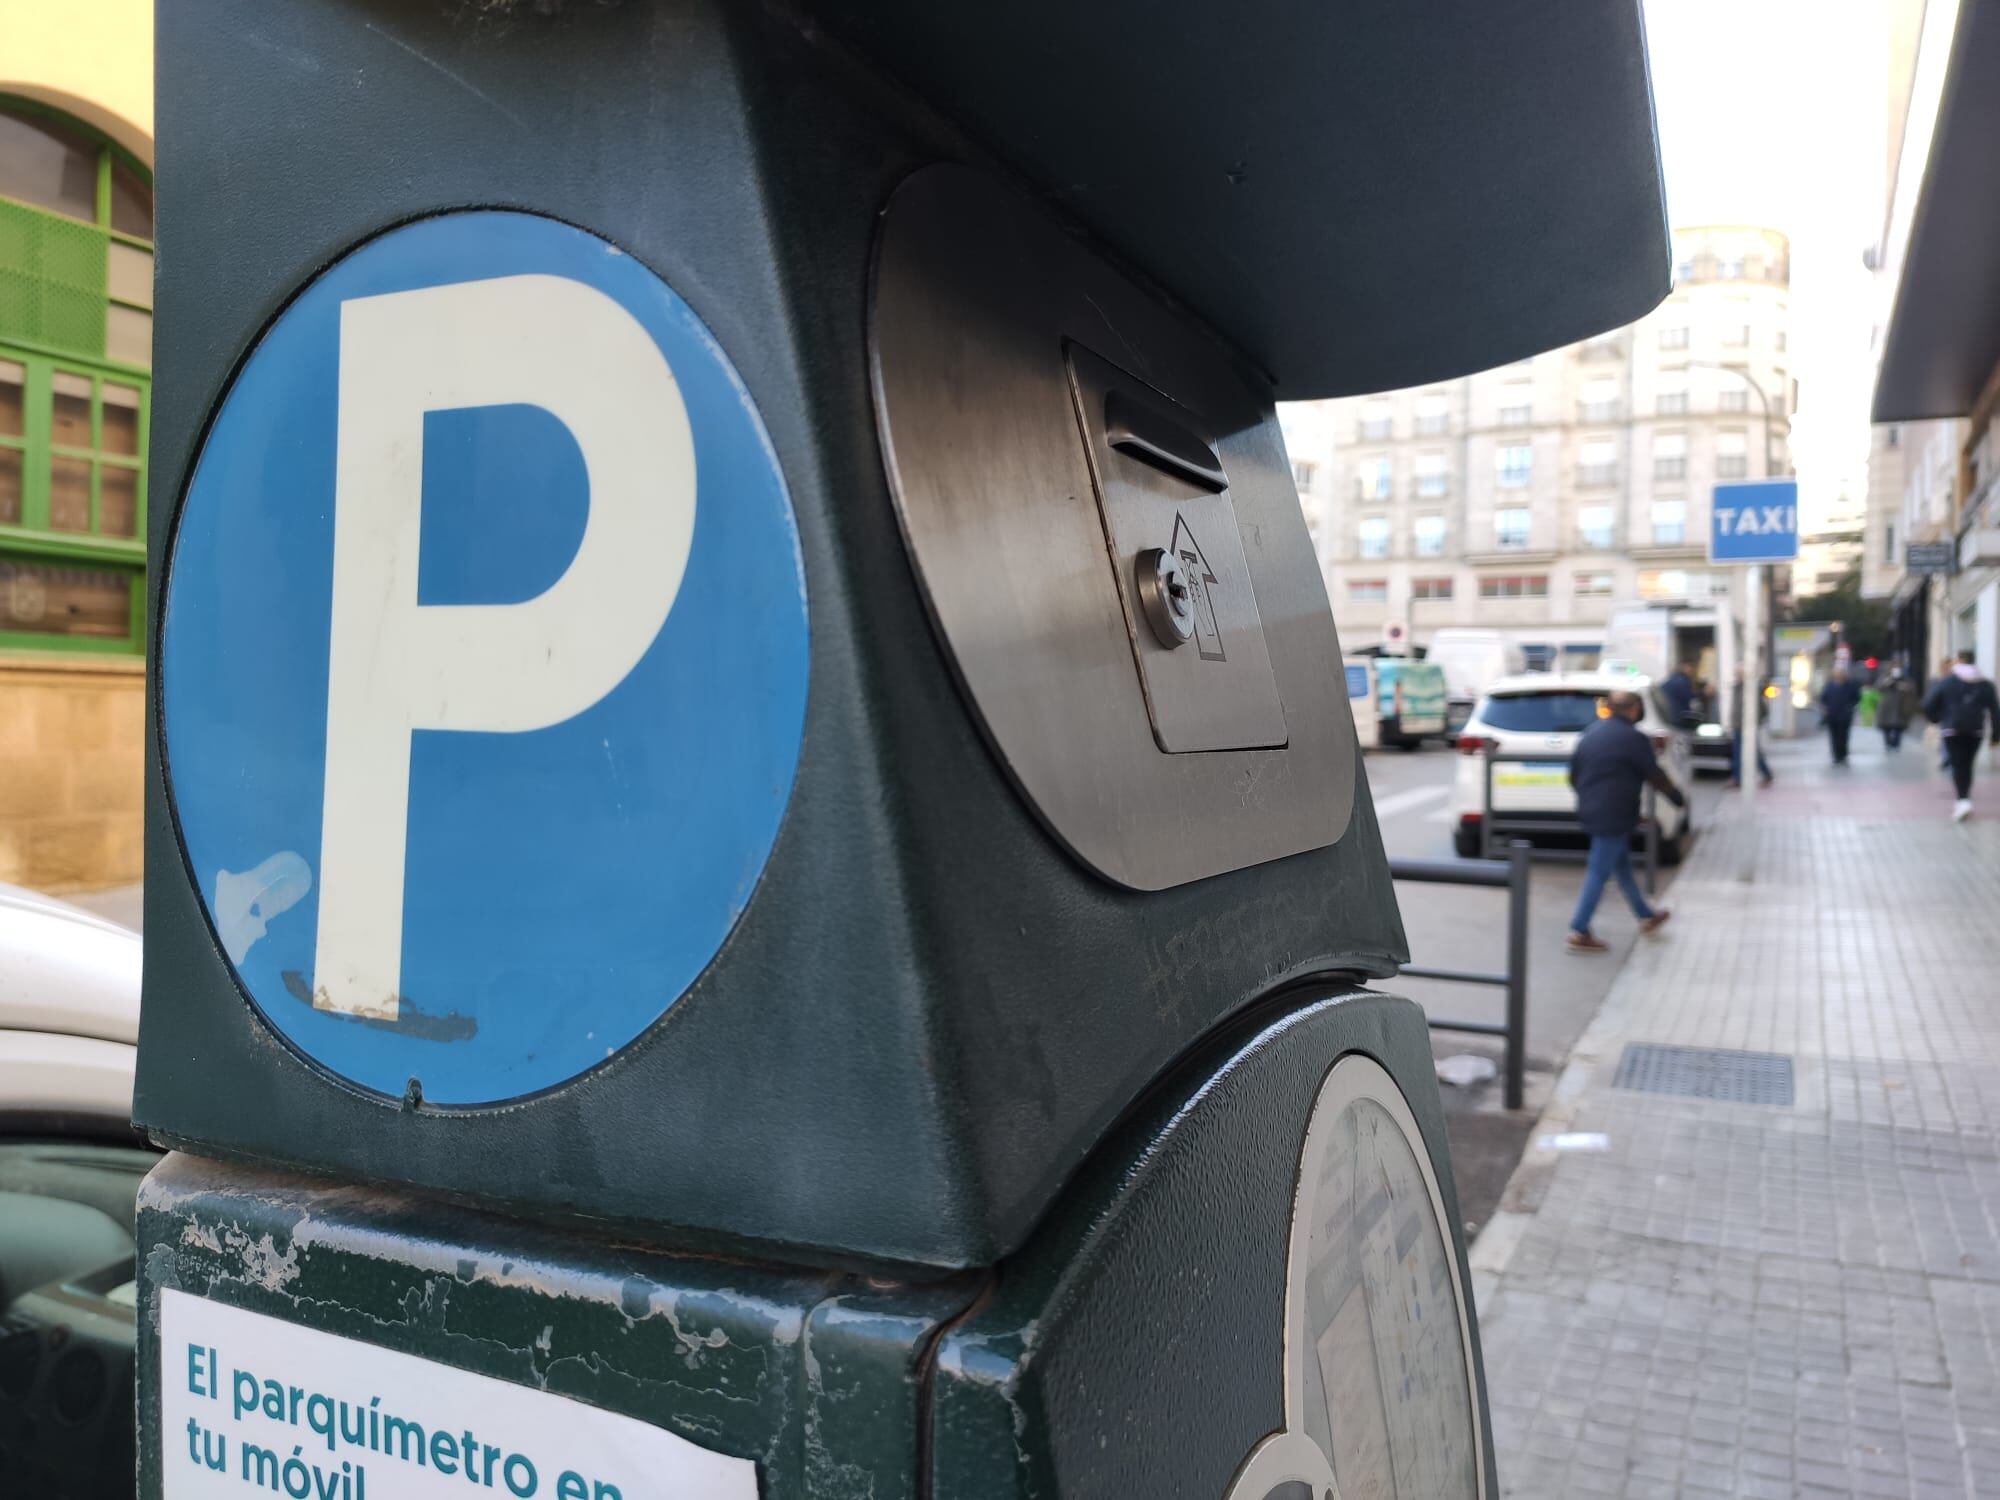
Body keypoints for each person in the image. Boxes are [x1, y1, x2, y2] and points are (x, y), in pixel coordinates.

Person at [1565, 689, 1684, 954]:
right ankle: (1579, 929)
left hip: (1592, 809)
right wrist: (1677, 798)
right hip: (1615, 814)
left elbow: (1573, 774)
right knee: (1599, 871)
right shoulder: (1634, 739)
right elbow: (1654, 774)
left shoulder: (1591, 734)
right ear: (1632, 709)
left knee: (1622, 868)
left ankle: (1645, 915)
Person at [1921, 651, 2000, 821]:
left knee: (1957, 764)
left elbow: (1928, 705)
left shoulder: (1948, 682)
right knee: (1967, 764)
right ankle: (1964, 798)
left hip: (1952, 729)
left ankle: (1962, 799)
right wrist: (1995, 736)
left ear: (1960, 662)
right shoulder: (1985, 684)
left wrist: (1937, 719)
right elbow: (1995, 711)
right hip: (1975, 730)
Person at [1724, 668, 1772, 788]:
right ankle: (1737, 779)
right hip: (1737, 726)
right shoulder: (1736, 688)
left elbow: (1762, 708)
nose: (1737, 676)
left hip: (1747, 727)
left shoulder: (1750, 689)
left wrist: (1755, 722)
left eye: (1739, 674)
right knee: (1737, 754)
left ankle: (1766, 774)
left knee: (1753, 753)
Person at [1819, 666, 1860, 765]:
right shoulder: (1830, 685)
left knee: (1843, 736)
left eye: (1841, 673)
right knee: (1834, 736)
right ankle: (1836, 755)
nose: (1839, 675)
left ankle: (1843, 754)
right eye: (1837, 673)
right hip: (1832, 715)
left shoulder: (1850, 685)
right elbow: (1823, 698)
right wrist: (1825, 708)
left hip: (1845, 716)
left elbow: (1856, 698)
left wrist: (1850, 707)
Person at [1876, 667, 1916, 751]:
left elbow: (1911, 689)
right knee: (1886, 727)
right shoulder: (1885, 677)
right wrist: (1887, 682)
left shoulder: (1905, 679)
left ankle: (1896, 744)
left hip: (1900, 707)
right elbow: (1878, 688)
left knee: (1899, 726)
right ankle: (1888, 743)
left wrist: (1903, 686)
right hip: (1886, 707)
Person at [1660, 661, 1696, 727]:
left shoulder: (1669, 680)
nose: (1691, 671)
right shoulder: (1682, 682)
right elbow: (1690, 697)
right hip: (1680, 716)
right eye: (1689, 668)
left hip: (1669, 715)